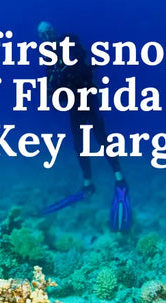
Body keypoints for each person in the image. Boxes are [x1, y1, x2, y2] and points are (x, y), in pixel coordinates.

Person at [37, 22, 131, 232]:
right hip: (73, 105)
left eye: (49, 32)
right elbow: (52, 88)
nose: (47, 36)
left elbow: (81, 60)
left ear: (55, 31)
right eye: (43, 35)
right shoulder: (48, 61)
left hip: (88, 98)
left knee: (101, 138)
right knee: (80, 145)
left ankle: (120, 179)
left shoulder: (68, 43)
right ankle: (88, 183)